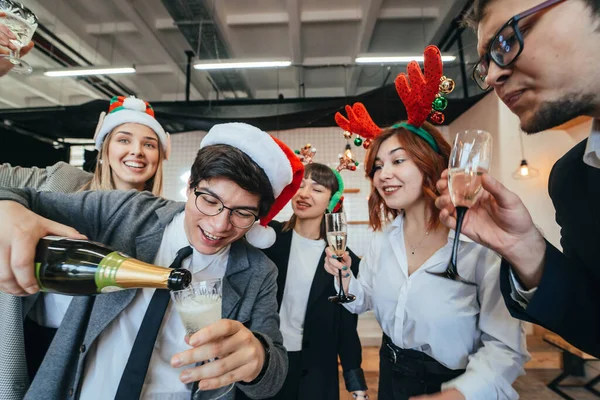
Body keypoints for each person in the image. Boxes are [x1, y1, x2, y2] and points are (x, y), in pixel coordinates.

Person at [0, 122, 304, 400]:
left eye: (242, 213)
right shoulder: (127, 211)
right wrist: (8, 209)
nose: (219, 225)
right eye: (209, 201)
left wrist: (259, 359)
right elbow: (23, 196)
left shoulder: (258, 272)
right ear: (189, 186)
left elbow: (273, 373)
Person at [434, 0, 600, 357]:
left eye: (508, 40)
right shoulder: (572, 179)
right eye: (485, 65)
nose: (492, 76)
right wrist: (525, 248)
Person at [325, 122, 529, 400]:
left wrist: (458, 394)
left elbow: (506, 349)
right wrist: (345, 275)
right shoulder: (383, 240)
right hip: (392, 379)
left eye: (398, 160)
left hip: (459, 387)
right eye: (377, 167)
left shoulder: (478, 246)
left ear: (429, 163)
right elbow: (363, 301)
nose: (384, 175)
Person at [259, 162, 368, 400]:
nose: (304, 194)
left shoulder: (340, 259)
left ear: (332, 201)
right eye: (299, 185)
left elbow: (346, 325)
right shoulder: (268, 239)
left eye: (317, 189)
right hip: (265, 361)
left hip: (316, 368)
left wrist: (355, 382)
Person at [0, 95, 168, 196]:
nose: (137, 151)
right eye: (123, 140)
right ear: (104, 150)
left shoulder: (167, 220)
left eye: (149, 145)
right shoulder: (63, 181)